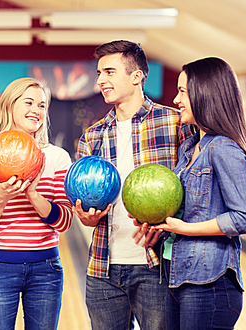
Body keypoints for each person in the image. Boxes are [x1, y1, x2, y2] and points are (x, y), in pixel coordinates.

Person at [73, 40, 195, 330]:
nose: (101, 80)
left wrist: (167, 223)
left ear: (136, 76)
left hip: (157, 267)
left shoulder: (176, 122)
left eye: (110, 72)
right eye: (99, 73)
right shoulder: (92, 136)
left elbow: (196, 189)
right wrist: (86, 217)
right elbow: (83, 205)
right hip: (103, 267)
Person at [134, 57, 246, 330]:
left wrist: (185, 229)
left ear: (205, 94)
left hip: (209, 283)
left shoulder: (224, 149)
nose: (176, 99)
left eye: (183, 92)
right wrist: (158, 223)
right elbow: (187, 209)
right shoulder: (190, 147)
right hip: (175, 274)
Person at [0, 77, 73, 330]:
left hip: (46, 268)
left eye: (42, 105)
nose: (36, 111)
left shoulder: (57, 157)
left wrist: (34, 195)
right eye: (29, 102)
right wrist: (1, 196)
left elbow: (65, 221)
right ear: (9, 106)